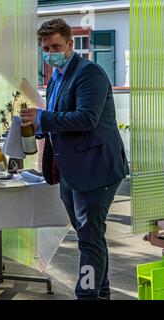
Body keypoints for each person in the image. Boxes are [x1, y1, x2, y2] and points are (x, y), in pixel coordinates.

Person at [20, 19, 128, 300]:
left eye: (56, 46)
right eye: (45, 48)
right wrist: (39, 125)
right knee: (89, 238)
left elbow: (87, 118)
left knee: (89, 240)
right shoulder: (56, 76)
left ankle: (87, 295)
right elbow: (58, 118)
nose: (50, 52)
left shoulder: (89, 73)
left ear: (70, 44)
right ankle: (100, 294)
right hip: (70, 171)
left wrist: (43, 117)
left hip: (96, 171)